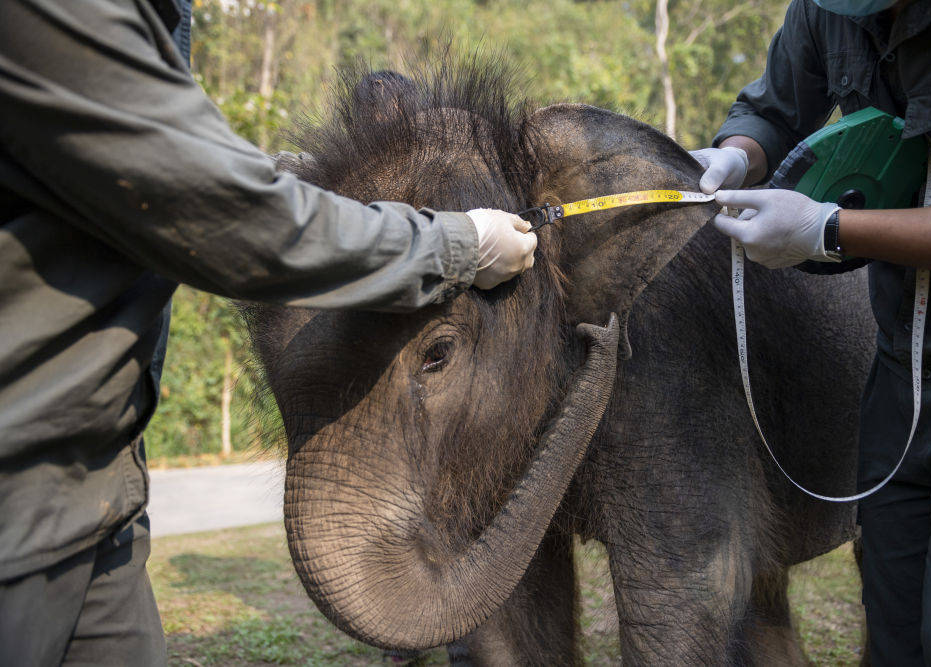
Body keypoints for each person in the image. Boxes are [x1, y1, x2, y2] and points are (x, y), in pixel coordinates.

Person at [0, 0, 536, 664]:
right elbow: (219, 214)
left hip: (96, 483)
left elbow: (166, 167)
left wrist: (279, 187)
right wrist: (457, 246)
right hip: (15, 494)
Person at [693, 0, 931, 663]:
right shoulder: (831, 10)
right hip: (899, 366)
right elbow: (772, 110)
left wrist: (830, 228)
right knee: (896, 628)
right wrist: (733, 158)